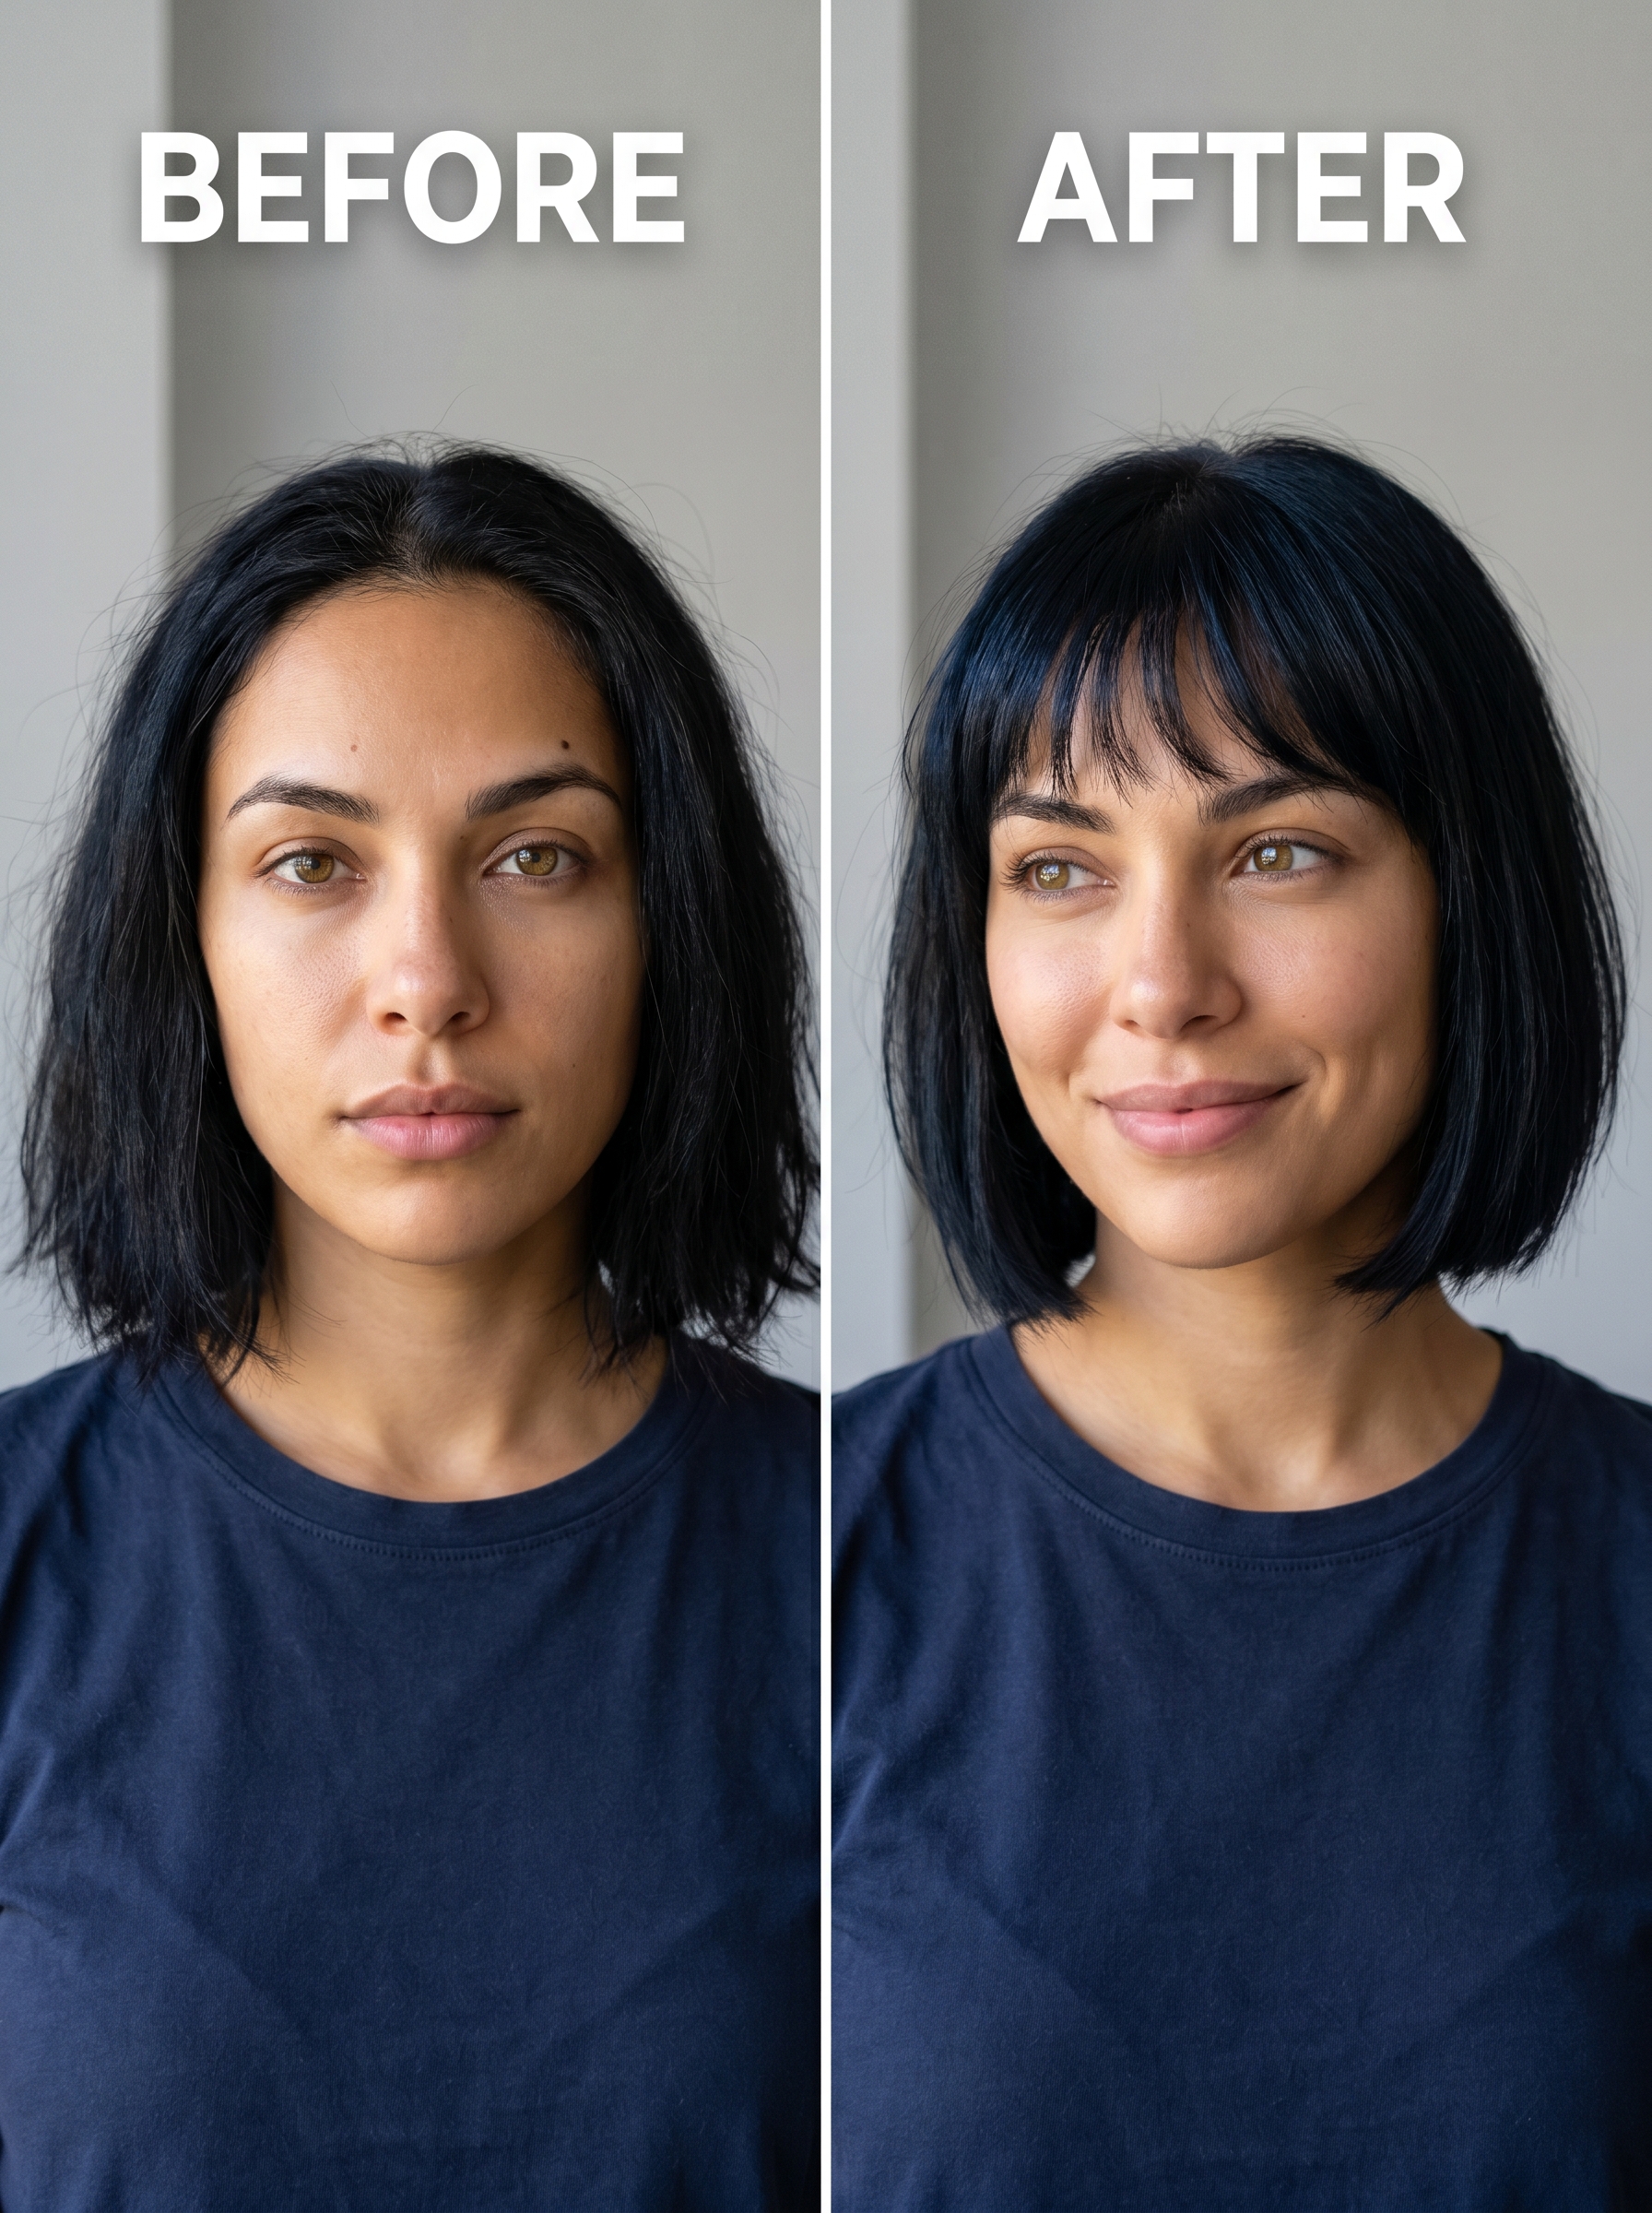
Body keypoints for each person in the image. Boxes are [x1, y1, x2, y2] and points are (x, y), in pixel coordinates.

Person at [832, 434, 1652, 2208]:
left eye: (1277, 850)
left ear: (1465, 896)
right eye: (1058, 868)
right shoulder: (773, 1563)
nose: (1162, 984)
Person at [0, 444, 819, 2211]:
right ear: (180, 931)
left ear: (669, 918)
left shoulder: (882, 1561)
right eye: (311, 862)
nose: (428, 977)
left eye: (536, 855)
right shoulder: (21, 1551)